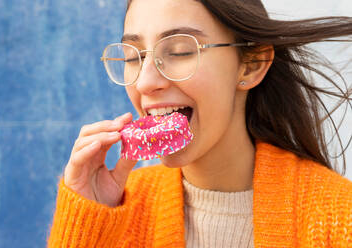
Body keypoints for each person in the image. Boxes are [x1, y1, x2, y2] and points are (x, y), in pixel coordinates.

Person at [47, 0, 352, 247]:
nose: (145, 82)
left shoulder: (338, 217)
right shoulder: (118, 208)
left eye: (180, 51)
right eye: (133, 57)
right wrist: (88, 228)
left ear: (252, 64)